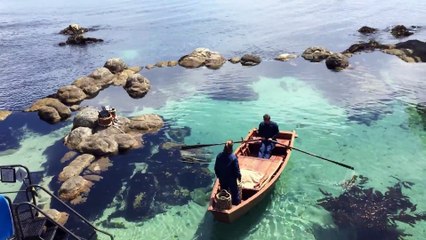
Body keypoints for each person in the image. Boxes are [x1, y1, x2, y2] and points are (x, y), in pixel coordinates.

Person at [214, 140, 241, 205]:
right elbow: (236, 170)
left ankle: (224, 204)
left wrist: (219, 176)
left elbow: (216, 168)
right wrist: (239, 177)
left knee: (224, 191)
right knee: (234, 192)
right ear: (231, 148)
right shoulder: (233, 158)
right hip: (231, 180)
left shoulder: (219, 156)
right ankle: (235, 204)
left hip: (222, 178)